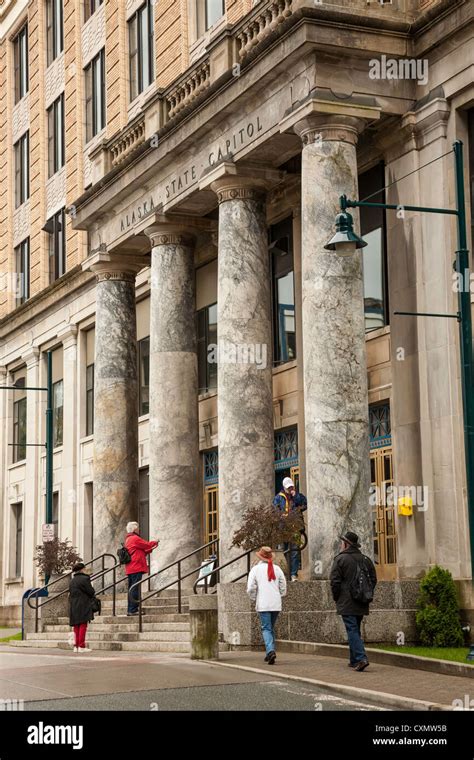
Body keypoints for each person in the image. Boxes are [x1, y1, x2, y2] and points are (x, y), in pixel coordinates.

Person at [330, 531, 377, 672]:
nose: (340, 545)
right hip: (362, 600)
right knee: (355, 628)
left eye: (341, 542)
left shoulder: (340, 559)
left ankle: (361, 658)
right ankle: (354, 660)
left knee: (351, 629)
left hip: (346, 601)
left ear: (346, 544)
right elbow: (373, 580)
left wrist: (336, 597)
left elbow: (334, 582)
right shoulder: (366, 559)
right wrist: (365, 593)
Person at [247, 546, 287, 665]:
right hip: (275, 603)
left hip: (263, 603)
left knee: (266, 628)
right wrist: (279, 595)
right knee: (270, 628)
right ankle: (270, 652)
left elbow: (250, 588)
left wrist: (254, 597)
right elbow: (283, 586)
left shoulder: (255, 570)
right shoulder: (277, 569)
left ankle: (270, 651)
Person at [273, 477, 307, 581]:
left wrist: (295, 496)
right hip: (284, 528)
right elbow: (275, 510)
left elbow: (304, 505)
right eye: (288, 487)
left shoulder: (298, 496)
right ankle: (288, 571)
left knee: (295, 550)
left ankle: (293, 574)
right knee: (286, 550)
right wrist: (280, 516)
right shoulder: (278, 498)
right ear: (284, 487)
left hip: (295, 528)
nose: (290, 488)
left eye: (291, 486)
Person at [125, 522, 159, 616]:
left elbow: (140, 552)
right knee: (135, 588)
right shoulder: (135, 538)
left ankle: (131, 609)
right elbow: (146, 544)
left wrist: (151, 548)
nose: (139, 529)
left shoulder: (128, 539)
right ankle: (133, 609)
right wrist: (155, 542)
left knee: (132, 588)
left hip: (131, 567)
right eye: (138, 528)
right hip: (136, 567)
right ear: (134, 529)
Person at [69, 562, 98, 652]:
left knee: (76, 625)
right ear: (82, 569)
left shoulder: (72, 580)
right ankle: (81, 646)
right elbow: (91, 591)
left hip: (73, 604)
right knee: (83, 624)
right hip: (83, 603)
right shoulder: (85, 579)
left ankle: (76, 646)